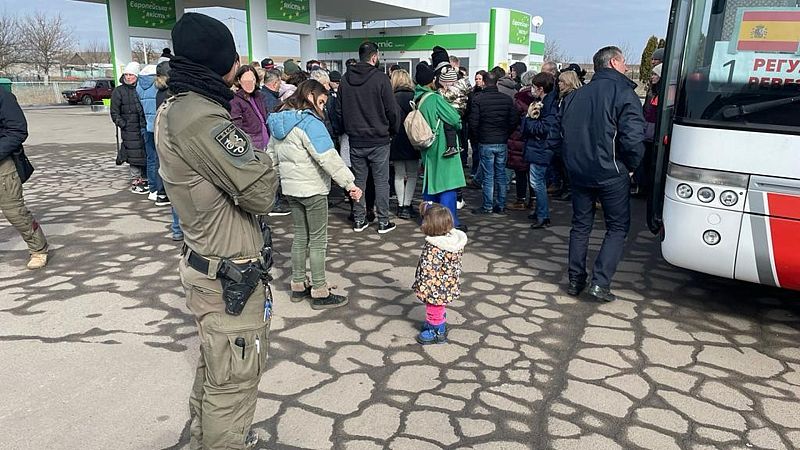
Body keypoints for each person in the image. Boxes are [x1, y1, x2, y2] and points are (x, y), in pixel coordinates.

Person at [155, 13, 279, 449]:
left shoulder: (179, 105)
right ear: (222, 62)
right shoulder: (201, 118)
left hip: (210, 264)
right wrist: (265, 159)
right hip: (228, 276)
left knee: (217, 372)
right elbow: (262, 192)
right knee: (232, 384)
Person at [560, 45, 645, 302]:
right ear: (613, 63)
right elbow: (633, 138)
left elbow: (563, 133)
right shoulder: (624, 93)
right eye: (624, 62)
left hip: (579, 170)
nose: (627, 67)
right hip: (611, 171)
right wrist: (632, 166)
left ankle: (575, 279)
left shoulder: (575, 96)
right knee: (617, 227)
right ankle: (600, 282)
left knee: (580, 225)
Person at [267, 80, 362, 309]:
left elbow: (271, 157)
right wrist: (349, 184)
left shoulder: (279, 122)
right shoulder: (310, 123)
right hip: (313, 189)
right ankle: (319, 289)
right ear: (310, 95)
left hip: (291, 189)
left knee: (300, 236)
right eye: (321, 101)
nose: (323, 107)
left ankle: (298, 284)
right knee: (318, 240)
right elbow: (328, 157)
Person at [338, 41, 400, 234]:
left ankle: (359, 219)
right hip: (379, 139)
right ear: (374, 57)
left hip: (356, 139)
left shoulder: (345, 79)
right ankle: (383, 221)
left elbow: (339, 110)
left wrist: (346, 129)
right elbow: (392, 110)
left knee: (358, 181)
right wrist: (392, 130)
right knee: (381, 182)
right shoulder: (381, 78)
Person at [413, 61, 466, 230]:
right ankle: (449, 223)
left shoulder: (418, 98)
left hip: (427, 146)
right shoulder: (434, 98)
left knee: (431, 185)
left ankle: (430, 220)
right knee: (447, 185)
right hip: (442, 146)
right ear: (432, 80)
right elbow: (455, 119)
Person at [0, 88, 48, 269]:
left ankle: (38, 249)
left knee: (14, 212)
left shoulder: (2, 95)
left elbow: (17, 130)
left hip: (2, 165)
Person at [412, 201, 467, 344]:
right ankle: (435, 323)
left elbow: (428, 269)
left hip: (434, 286)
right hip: (447, 283)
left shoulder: (435, 247)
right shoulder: (452, 242)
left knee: (434, 307)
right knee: (438, 307)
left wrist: (422, 286)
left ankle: (437, 331)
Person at [469, 70, 518, 215]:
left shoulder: (478, 99)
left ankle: (487, 206)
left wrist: (478, 137)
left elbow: (473, 122)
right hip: (501, 140)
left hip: (486, 140)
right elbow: (514, 120)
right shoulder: (507, 99)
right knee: (501, 174)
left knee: (488, 175)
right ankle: (501, 204)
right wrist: (506, 133)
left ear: (484, 82)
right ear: (497, 82)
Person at [522, 72, 560, 229]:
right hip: (538, 147)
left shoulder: (549, 105)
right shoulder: (544, 102)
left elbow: (545, 128)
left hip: (541, 147)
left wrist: (529, 120)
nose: (531, 90)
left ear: (541, 88)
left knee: (536, 182)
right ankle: (539, 211)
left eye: (534, 87)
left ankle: (543, 215)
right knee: (538, 181)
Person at [154, 59, 183, 240]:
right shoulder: (171, 96)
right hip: (175, 146)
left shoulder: (159, 93)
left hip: (164, 145)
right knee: (181, 192)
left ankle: (177, 229)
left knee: (175, 191)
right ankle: (179, 228)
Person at [110, 62, 147, 194]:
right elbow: (114, 112)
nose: (128, 77)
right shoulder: (119, 91)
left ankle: (146, 179)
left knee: (145, 152)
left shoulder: (141, 88)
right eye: (126, 74)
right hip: (129, 129)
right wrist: (123, 124)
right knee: (133, 155)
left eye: (131, 74)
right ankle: (136, 181)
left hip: (142, 126)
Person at [550, 69, 584, 203]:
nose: (559, 84)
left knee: (567, 166)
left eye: (561, 81)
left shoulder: (572, 97)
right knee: (562, 166)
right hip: (562, 136)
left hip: (568, 137)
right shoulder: (564, 96)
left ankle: (569, 190)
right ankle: (564, 188)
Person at [389, 69, 418, 220]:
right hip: (413, 139)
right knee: (412, 174)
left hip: (396, 139)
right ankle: (407, 204)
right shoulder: (415, 97)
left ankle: (400, 206)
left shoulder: (391, 97)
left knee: (399, 174)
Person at [506, 70, 537, 211]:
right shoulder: (540, 98)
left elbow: (512, 119)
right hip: (534, 138)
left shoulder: (519, 98)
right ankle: (534, 199)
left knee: (520, 172)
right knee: (533, 172)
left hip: (518, 138)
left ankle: (521, 199)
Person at [136, 64, 162, 201]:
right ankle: (162, 190)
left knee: (151, 159)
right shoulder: (158, 85)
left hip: (146, 126)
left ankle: (153, 189)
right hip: (158, 125)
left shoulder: (138, 86)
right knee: (161, 159)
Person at [636, 63, 661, 196]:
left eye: (655, 74)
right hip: (646, 131)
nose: (652, 77)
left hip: (655, 132)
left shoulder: (665, 93)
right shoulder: (651, 92)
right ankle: (642, 187)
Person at [230, 65, 270, 150]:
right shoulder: (235, 101)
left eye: (252, 79)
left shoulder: (259, 96)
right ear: (239, 80)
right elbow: (237, 127)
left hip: (266, 143)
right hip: (252, 147)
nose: (249, 83)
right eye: (246, 80)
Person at [466, 70, 487, 185]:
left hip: (482, 127)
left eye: (480, 79)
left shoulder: (485, 94)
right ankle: (475, 171)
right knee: (475, 152)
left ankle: (479, 174)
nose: (478, 81)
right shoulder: (472, 93)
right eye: (476, 79)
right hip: (473, 127)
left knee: (481, 153)